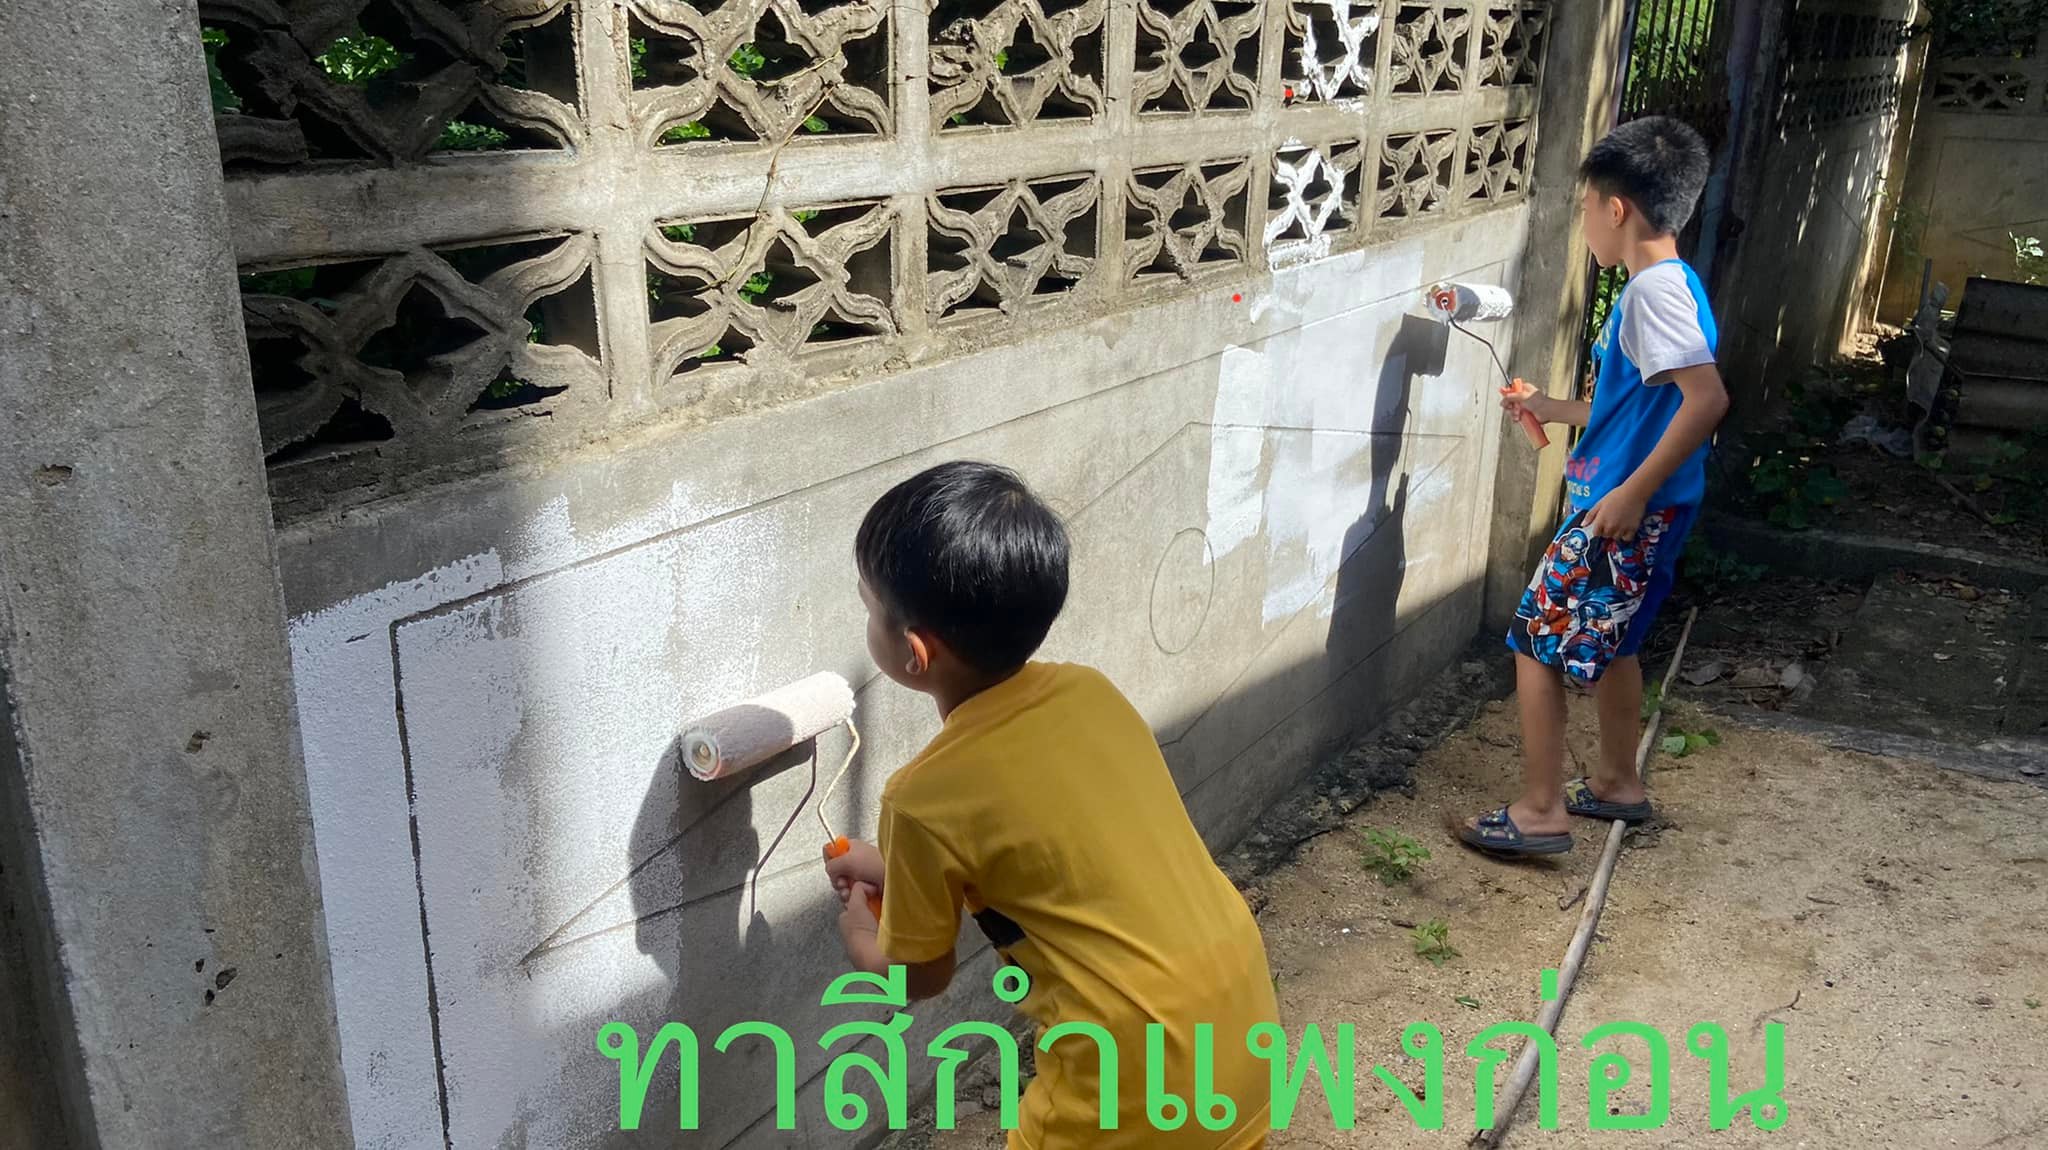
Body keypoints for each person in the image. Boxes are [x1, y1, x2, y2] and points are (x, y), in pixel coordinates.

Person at [824, 460, 1277, 1147]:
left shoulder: (921, 796)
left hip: (1132, 1076)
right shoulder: (1089, 692)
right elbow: (1052, 862)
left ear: (915, 652)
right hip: (1240, 1025)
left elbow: (920, 976)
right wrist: (897, 870)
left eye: (868, 607)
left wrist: (862, 936)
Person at [1461, 116, 1730, 857]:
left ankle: (1540, 811)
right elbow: (1646, 404)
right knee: (1618, 646)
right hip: (1639, 505)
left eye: (1585, 209)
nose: (1584, 225)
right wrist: (1554, 408)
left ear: (1617, 209)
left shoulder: (1652, 295)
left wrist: (1632, 493)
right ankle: (1616, 783)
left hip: (1622, 511)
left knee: (1533, 641)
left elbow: (1707, 400)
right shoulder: (1674, 284)